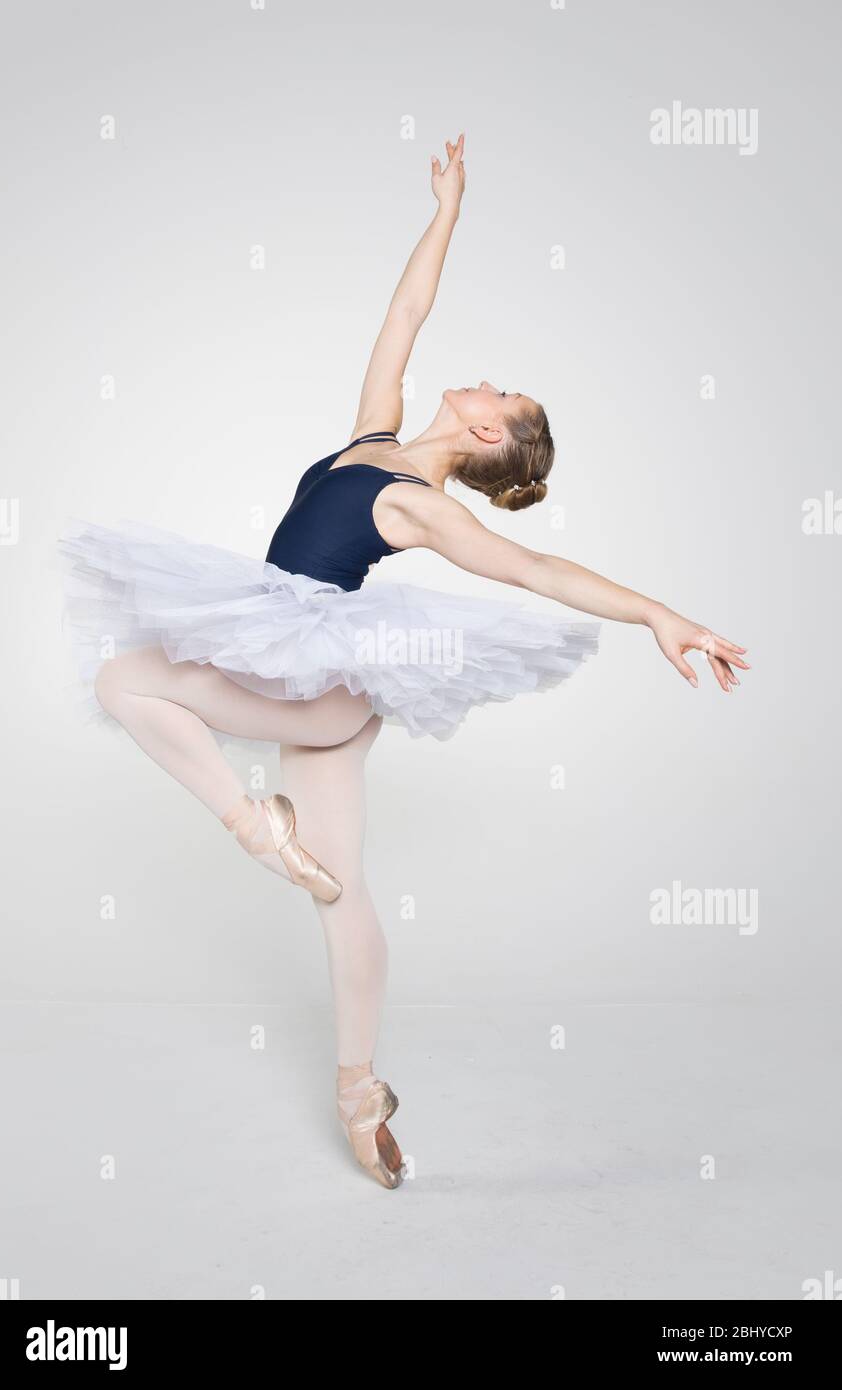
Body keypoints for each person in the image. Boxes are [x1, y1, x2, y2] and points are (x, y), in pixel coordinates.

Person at [60, 134, 749, 1190]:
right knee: (344, 897)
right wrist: (446, 213)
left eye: (499, 391)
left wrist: (661, 614)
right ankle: (359, 1096)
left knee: (122, 679)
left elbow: (537, 570)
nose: (481, 379)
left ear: (481, 429)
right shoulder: (370, 437)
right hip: (323, 696)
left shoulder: (416, 505)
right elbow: (402, 317)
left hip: (308, 676)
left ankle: (256, 830)